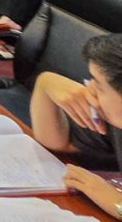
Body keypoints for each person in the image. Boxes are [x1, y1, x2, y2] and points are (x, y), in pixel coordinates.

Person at [31, 34, 122, 218]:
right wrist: (45, 84)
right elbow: (57, 142)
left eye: (99, 85)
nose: (90, 90)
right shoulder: (114, 123)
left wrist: (117, 204)